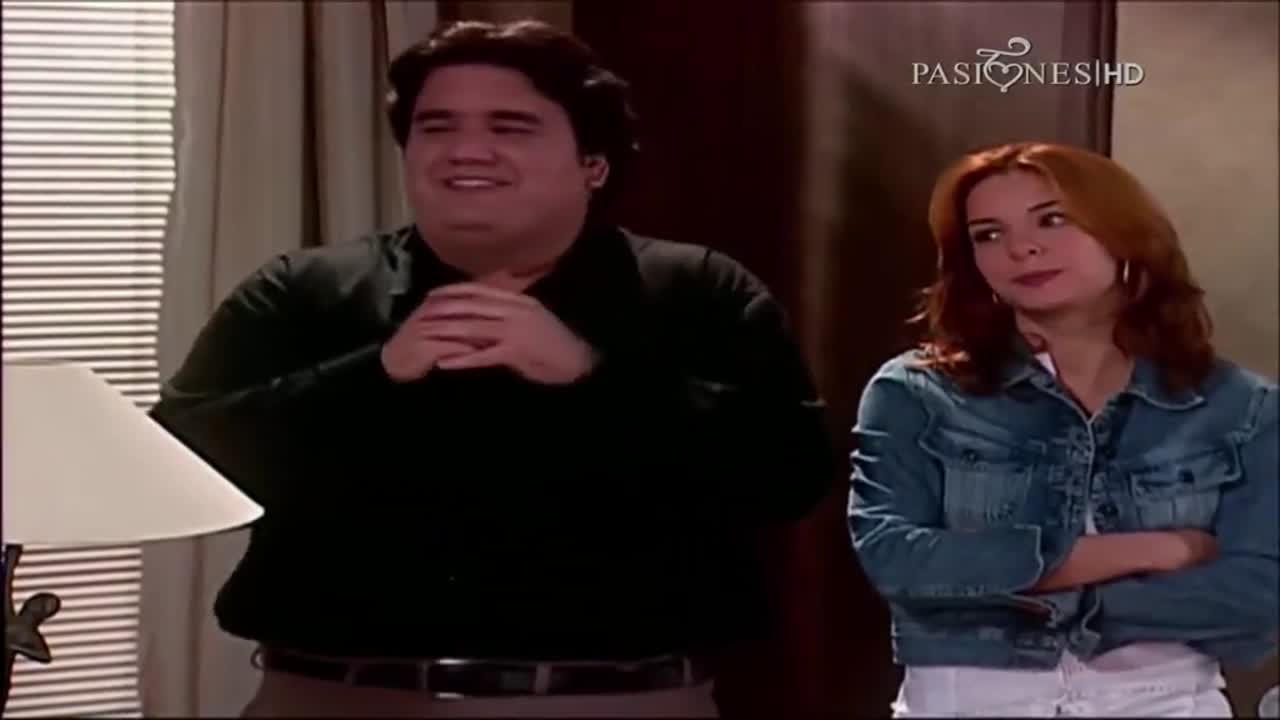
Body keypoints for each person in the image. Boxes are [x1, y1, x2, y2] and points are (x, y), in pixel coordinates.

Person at [149, 19, 833, 719]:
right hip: (331, 696)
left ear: (593, 163)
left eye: (511, 126)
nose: (466, 150)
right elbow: (175, 466)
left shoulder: (699, 292)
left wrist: (591, 375)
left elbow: (791, 477)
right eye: (436, 127)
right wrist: (374, 375)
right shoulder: (303, 290)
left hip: (622, 699)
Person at [848, 141, 1278, 717]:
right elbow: (897, 560)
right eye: (988, 234)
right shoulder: (916, 392)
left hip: (1165, 703)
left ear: (1125, 233)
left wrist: (1033, 596)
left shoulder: (1239, 406)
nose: (1021, 248)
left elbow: (1257, 593)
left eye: (1051, 220)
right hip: (967, 704)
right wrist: (1158, 550)